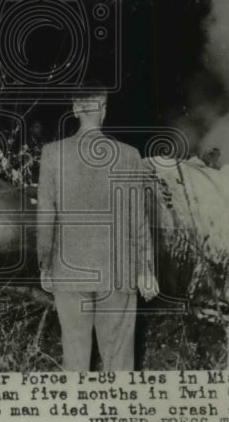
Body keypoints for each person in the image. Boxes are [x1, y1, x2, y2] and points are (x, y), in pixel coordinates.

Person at [36, 89, 158, 371]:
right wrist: (145, 269)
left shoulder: (53, 154)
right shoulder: (129, 156)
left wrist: (45, 264)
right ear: (103, 109)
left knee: (75, 358)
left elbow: (45, 215)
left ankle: (77, 414)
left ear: (75, 109)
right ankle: (120, 414)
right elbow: (137, 218)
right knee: (119, 363)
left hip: (69, 270)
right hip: (118, 271)